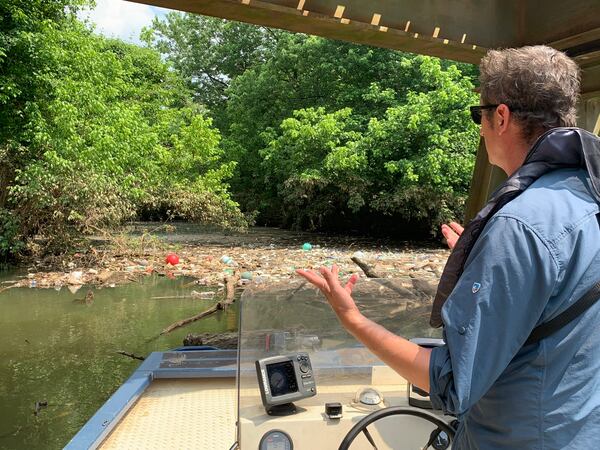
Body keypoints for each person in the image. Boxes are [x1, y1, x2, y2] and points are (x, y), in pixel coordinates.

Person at [297, 45, 600, 449]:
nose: (480, 127)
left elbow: (451, 382)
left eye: (481, 114)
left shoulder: (518, 225)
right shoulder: (587, 196)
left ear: (502, 116)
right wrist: (486, 260)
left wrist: (354, 320)